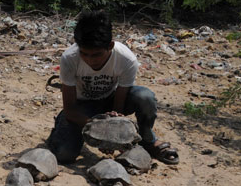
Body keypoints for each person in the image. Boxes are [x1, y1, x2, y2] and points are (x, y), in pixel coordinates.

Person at [47, 10, 179, 165]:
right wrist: (100, 132)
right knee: (64, 154)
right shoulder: (69, 58)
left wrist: (114, 132)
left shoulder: (126, 59)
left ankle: (148, 140)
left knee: (145, 97)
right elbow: (70, 109)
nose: (90, 60)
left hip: (111, 100)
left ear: (110, 45)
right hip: (82, 107)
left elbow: (120, 103)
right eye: (84, 54)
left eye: (96, 55)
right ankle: (59, 132)